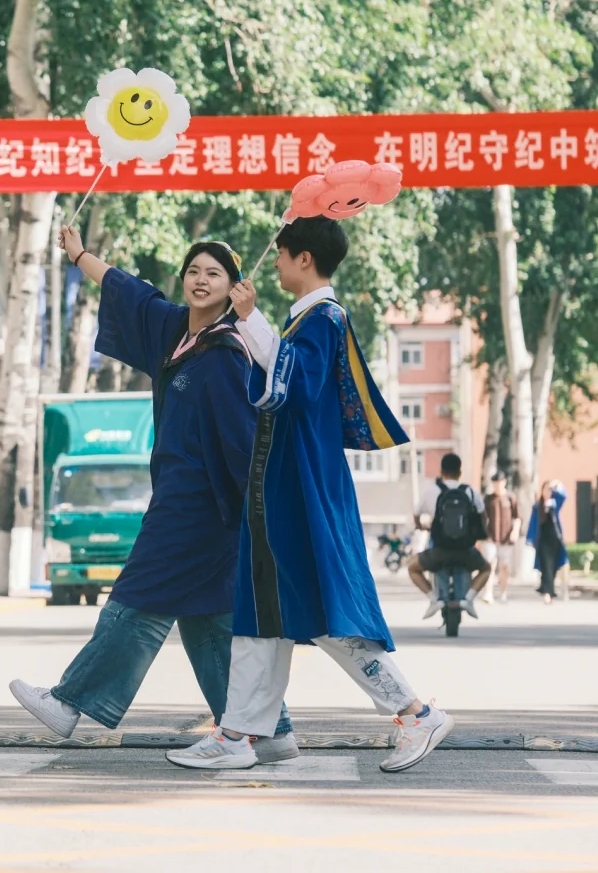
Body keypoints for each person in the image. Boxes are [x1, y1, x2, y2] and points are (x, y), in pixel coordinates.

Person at [9, 226, 297, 764]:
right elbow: (128, 290)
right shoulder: (175, 332)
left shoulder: (230, 354)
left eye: (215, 273)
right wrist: (78, 255)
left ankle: (69, 702)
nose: (200, 280)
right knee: (209, 622)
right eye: (193, 271)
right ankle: (270, 730)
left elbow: (241, 443)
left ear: (235, 287)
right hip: (179, 496)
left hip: (202, 507)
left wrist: (256, 517)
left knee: (138, 599)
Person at [177, 215, 453, 775]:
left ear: (304, 259)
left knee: (321, 611)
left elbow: (294, 385)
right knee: (266, 611)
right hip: (284, 486)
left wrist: (251, 321)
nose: (275, 263)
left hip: (299, 490)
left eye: (281, 254)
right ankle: (237, 734)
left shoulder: (323, 319)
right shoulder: (308, 319)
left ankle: (415, 711)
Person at [407, 453, 490, 618]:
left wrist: (422, 526)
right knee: (486, 568)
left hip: (439, 551)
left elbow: (416, 514)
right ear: (460, 472)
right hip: (466, 551)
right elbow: (483, 518)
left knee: (413, 568)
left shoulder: (432, 491)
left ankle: (434, 599)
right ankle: (468, 599)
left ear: (442, 471)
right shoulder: (471, 492)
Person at [527, 480, 568, 603]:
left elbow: (564, 495)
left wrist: (557, 484)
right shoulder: (537, 506)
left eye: (550, 490)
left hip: (555, 540)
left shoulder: (555, 503)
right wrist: (530, 538)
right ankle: (548, 593)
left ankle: (549, 589)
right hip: (542, 540)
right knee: (546, 566)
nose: (547, 492)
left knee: (554, 566)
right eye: (545, 489)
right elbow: (533, 523)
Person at [481, 473, 520, 603]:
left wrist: (515, 531)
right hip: (490, 537)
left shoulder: (510, 498)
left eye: (499, 482)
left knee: (504, 566)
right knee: (490, 564)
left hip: (506, 538)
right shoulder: (488, 499)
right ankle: (488, 592)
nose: (497, 485)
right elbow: (481, 518)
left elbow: (517, 517)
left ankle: (503, 592)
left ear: (504, 482)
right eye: (494, 483)